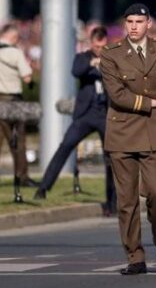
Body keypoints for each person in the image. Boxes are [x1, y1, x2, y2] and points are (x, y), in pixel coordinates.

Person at [99, 4, 156, 275]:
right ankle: (135, 255)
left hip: (155, 131)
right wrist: (155, 102)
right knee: (126, 201)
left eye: (139, 21)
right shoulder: (111, 54)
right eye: (130, 22)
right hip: (123, 133)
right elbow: (118, 95)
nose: (134, 26)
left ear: (149, 23)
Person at [35, 25, 115, 215]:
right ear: (91, 44)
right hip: (85, 114)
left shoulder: (112, 60)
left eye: (103, 47)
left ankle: (112, 202)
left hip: (104, 113)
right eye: (97, 47)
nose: (99, 51)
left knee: (111, 158)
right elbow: (76, 71)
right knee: (65, 146)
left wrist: (103, 66)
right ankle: (43, 188)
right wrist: (93, 64)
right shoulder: (83, 58)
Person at [0, 23, 36, 189]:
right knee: (17, 138)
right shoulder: (15, 52)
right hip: (11, 100)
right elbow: (27, 77)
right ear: (13, 37)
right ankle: (22, 177)